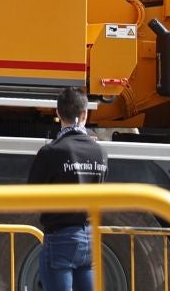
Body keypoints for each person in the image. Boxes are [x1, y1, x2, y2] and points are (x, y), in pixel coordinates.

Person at [28, 87, 108, 291]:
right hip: (90, 238)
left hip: (60, 237)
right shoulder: (100, 152)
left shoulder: (51, 152)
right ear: (85, 114)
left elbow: (30, 195)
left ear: (57, 113)